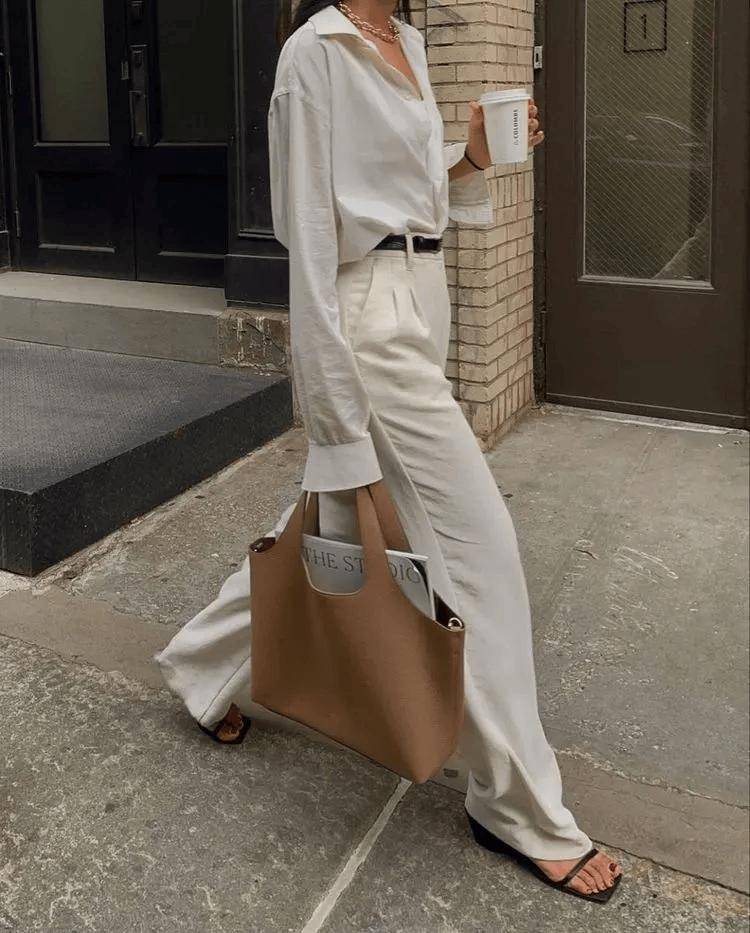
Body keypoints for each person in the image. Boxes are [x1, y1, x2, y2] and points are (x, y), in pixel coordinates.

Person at [156, 0, 623, 903]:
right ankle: (518, 806)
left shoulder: (403, 41)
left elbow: (407, 194)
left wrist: (471, 157)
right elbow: (311, 241)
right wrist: (333, 426)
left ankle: (199, 667)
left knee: (334, 529)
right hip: (365, 321)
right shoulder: (313, 54)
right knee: (481, 552)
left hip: (419, 299)